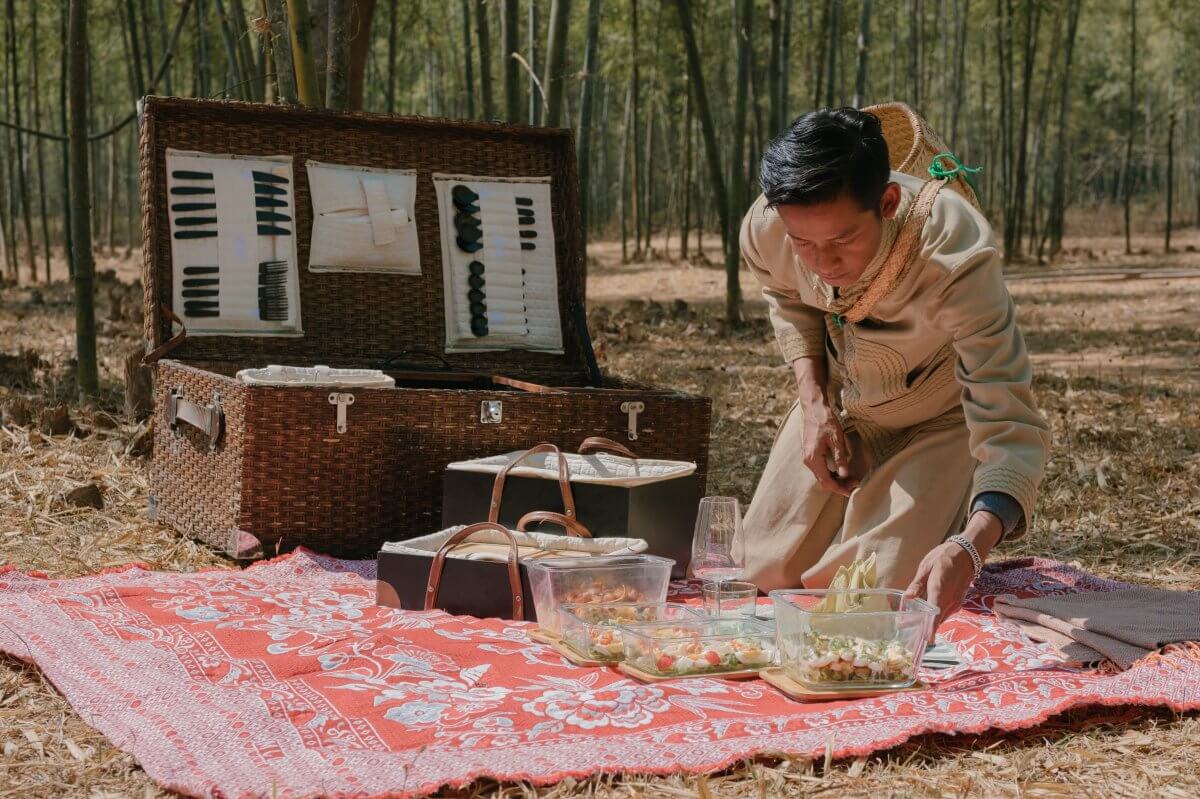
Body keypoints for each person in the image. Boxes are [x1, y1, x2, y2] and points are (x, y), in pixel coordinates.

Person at [739, 106, 1051, 628]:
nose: (823, 263)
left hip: (939, 422)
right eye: (804, 243)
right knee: (760, 570)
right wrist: (814, 405)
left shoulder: (954, 250)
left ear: (886, 203)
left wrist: (971, 546)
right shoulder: (769, 225)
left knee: (872, 597)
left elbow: (1009, 419)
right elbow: (786, 296)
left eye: (842, 241)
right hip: (839, 408)